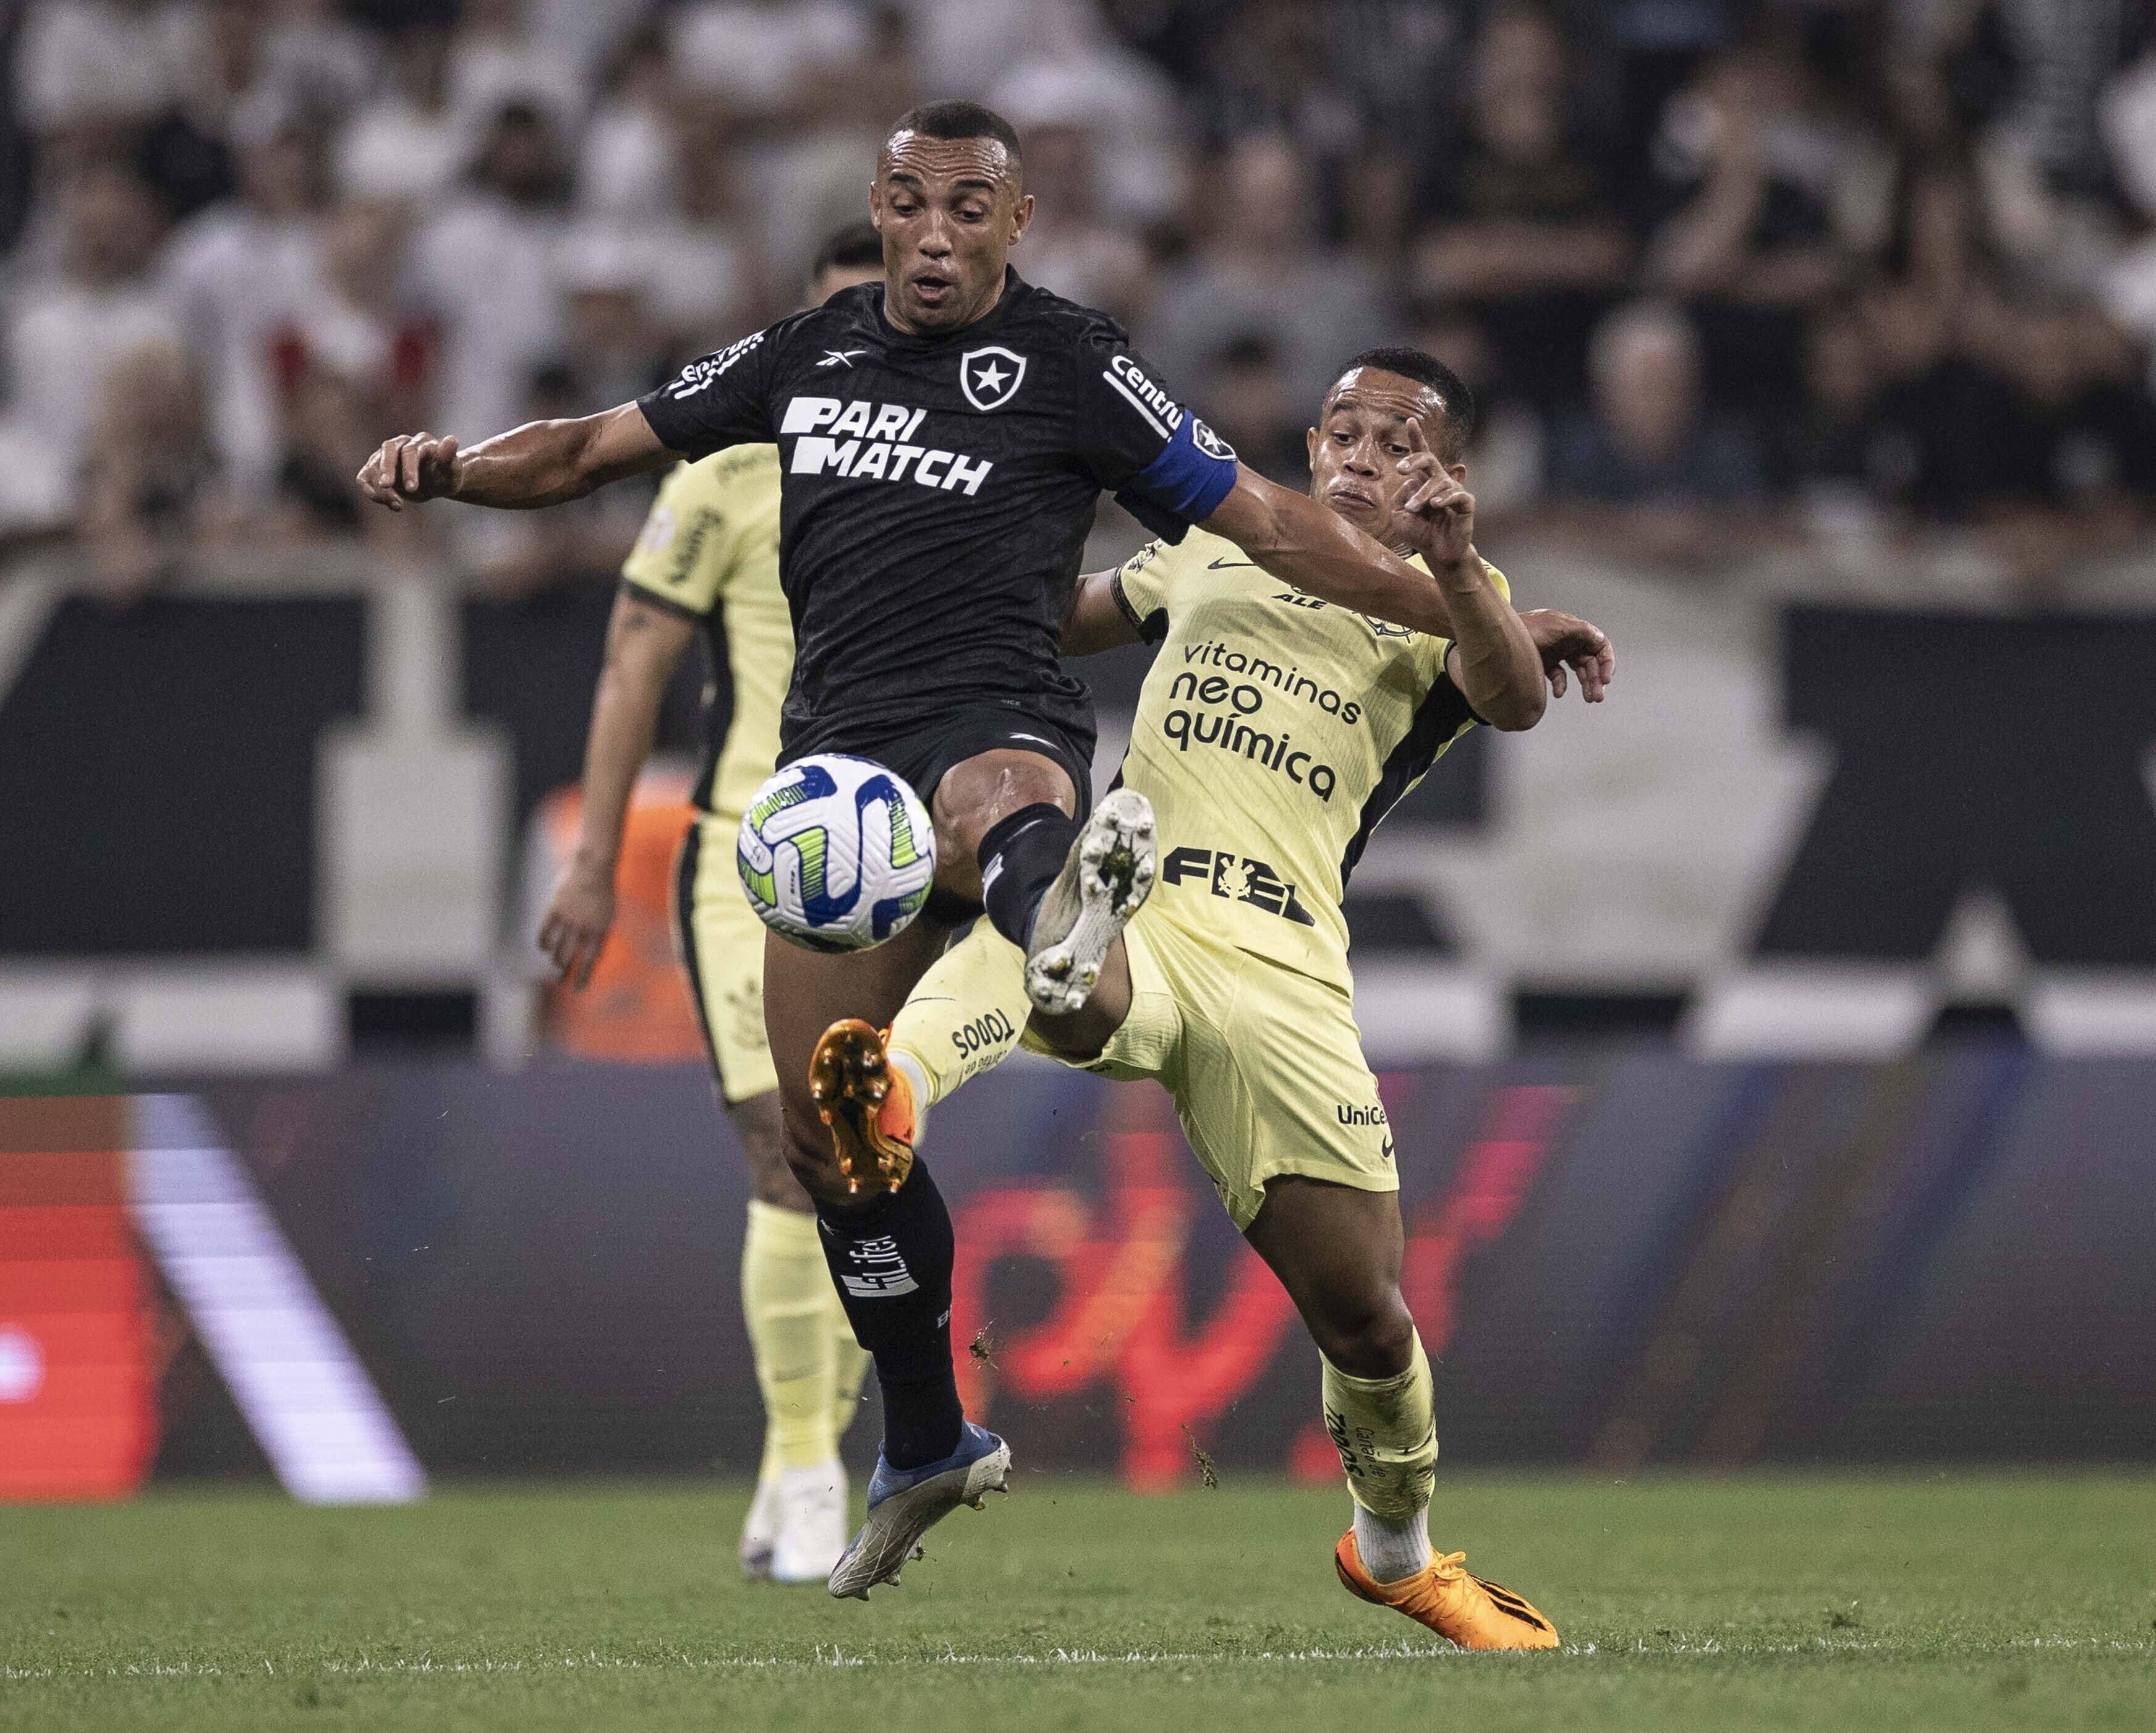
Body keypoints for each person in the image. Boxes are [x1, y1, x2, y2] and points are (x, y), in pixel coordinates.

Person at [360, 100, 1512, 1601]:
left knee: (995, 806)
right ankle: (923, 1434)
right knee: (829, 1139)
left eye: (971, 209)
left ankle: (1071, 940)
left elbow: (1275, 523)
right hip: (831, 775)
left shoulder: (1075, 362)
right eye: (911, 204)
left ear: (1015, 221)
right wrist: (451, 470)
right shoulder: (803, 355)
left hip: (998, 726)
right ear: (878, 206)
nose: (936, 236)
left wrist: (1468, 601)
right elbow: (588, 446)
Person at [830, 349, 1614, 1649]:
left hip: (1282, 959)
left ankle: (1396, 1551)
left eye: (1396, 442)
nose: (1362, 458)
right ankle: (892, 1092)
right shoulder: (1210, 545)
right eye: (1344, 434)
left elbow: (1515, 701)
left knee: (1367, 1313)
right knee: (1054, 942)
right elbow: (1048, 616)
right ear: (1310, 448)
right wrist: (946, 552)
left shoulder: (1447, 599)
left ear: (1445, 473)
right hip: (1146, 890)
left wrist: (1467, 571)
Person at [537, 222, 887, 1586]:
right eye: (839, 316)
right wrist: (589, 860)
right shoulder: (733, 467)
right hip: (758, 849)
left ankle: (788, 1459)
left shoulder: (971, 469)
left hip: (911, 867)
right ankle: (808, 1467)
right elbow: (636, 656)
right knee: (784, 1151)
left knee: (867, 1169)